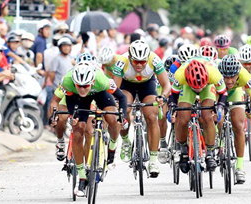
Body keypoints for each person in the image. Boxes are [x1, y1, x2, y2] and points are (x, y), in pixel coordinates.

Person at [49, 61, 127, 196]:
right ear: (74, 82)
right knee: (78, 130)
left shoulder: (102, 80)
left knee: (113, 120)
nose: (83, 88)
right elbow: (69, 101)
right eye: (80, 85)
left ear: (92, 81)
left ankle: (112, 149)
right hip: (76, 99)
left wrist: (123, 116)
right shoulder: (67, 81)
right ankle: (82, 177)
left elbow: (122, 97)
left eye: (86, 85)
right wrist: (75, 116)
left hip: (100, 93)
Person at [112, 40, 171, 177]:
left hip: (147, 85)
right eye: (136, 61)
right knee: (124, 109)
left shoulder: (154, 60)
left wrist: (162, 96)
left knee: (151, 116)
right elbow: (115, 88)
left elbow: (166, 85)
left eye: (143, 62)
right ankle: (126, 140)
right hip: (127, 85)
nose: (139, 65)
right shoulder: (122, 61)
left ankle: (153, 160)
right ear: (130, 57)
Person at [168, 57, 227, 173]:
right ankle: (184, 150)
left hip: (208, 86)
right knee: (183, 118)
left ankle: (209, 153)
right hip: (187, 87)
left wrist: (219, 107)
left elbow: (223, 93)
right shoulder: (180, 75)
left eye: (200, 86)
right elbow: (173, 95)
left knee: (207, 116)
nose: (198, 89)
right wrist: (172, 109)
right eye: (196, 87)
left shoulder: (214, 73)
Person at [218, 54, 251, 184]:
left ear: (238, 73)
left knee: (238, 126)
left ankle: (240, 167)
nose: (229, 80)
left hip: (235, 94)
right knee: (217, 117)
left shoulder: (245, 76)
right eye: (226, 76)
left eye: (232, 76)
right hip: (218, 93)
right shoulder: (216, 75)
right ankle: (218, 142)